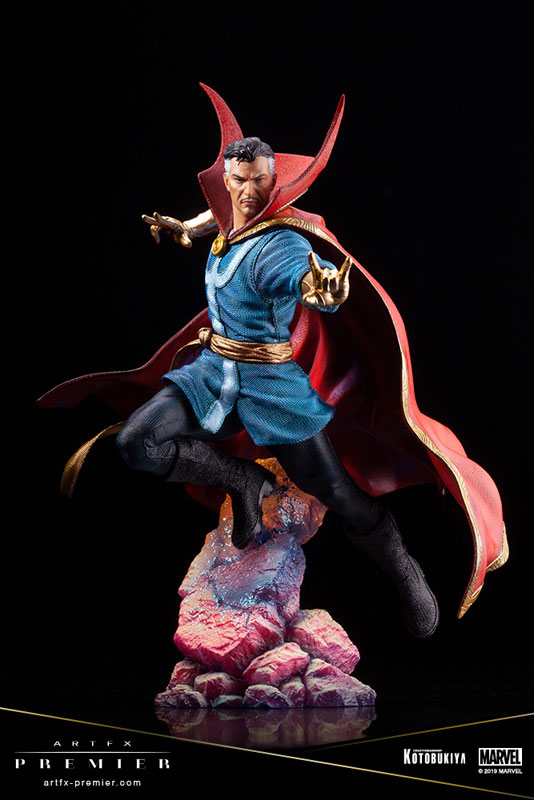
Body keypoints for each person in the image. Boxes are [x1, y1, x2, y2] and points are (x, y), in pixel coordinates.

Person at [38, 84, 507, 639]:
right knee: (136, 443)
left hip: (271, 386)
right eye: (238, 181)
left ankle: (403, 567)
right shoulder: (230, 221)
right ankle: (241, 479)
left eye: (259, 182)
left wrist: (321, 290)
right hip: (211, 374)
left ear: (273, 184)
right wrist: (186, 228)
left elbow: (302, 277)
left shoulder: (283, 243)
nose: (247, 193)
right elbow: (219, 219)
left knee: (337, 492)